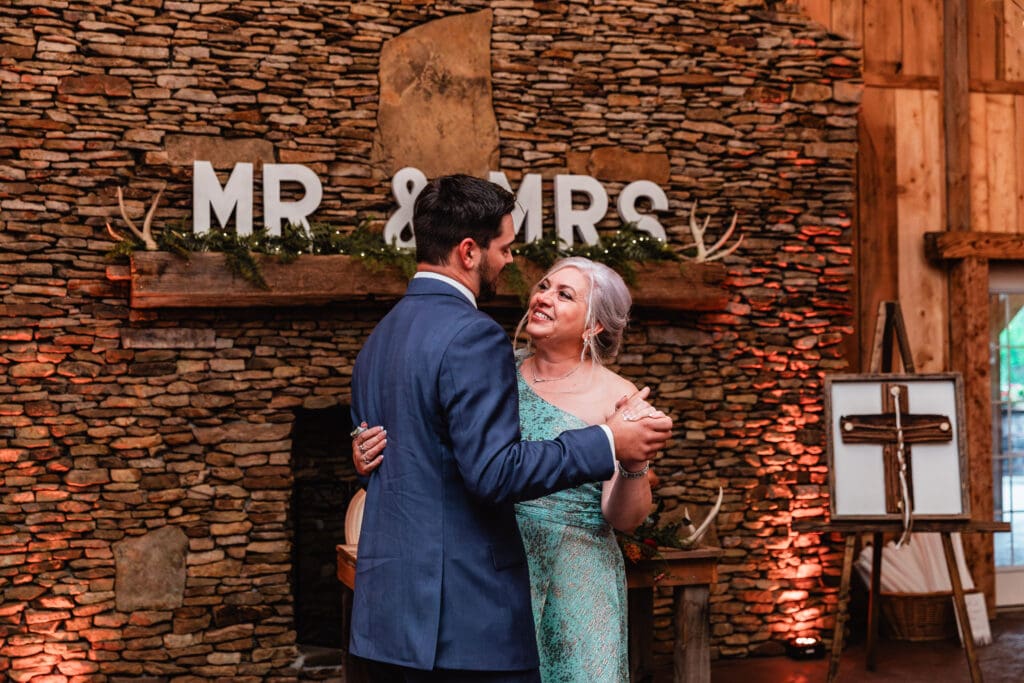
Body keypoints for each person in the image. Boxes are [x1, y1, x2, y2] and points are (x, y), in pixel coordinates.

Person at [347, 174, 671, 682]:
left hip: (529, 593)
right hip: (476, 605)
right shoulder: (478, 342)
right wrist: (608, 440)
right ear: (470, 251)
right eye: (505, 248)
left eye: (564, 293)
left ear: (594, 325)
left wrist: (630, 461)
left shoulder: (379, 339)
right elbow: (491, 472)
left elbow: (418, 451)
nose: (513, 264)